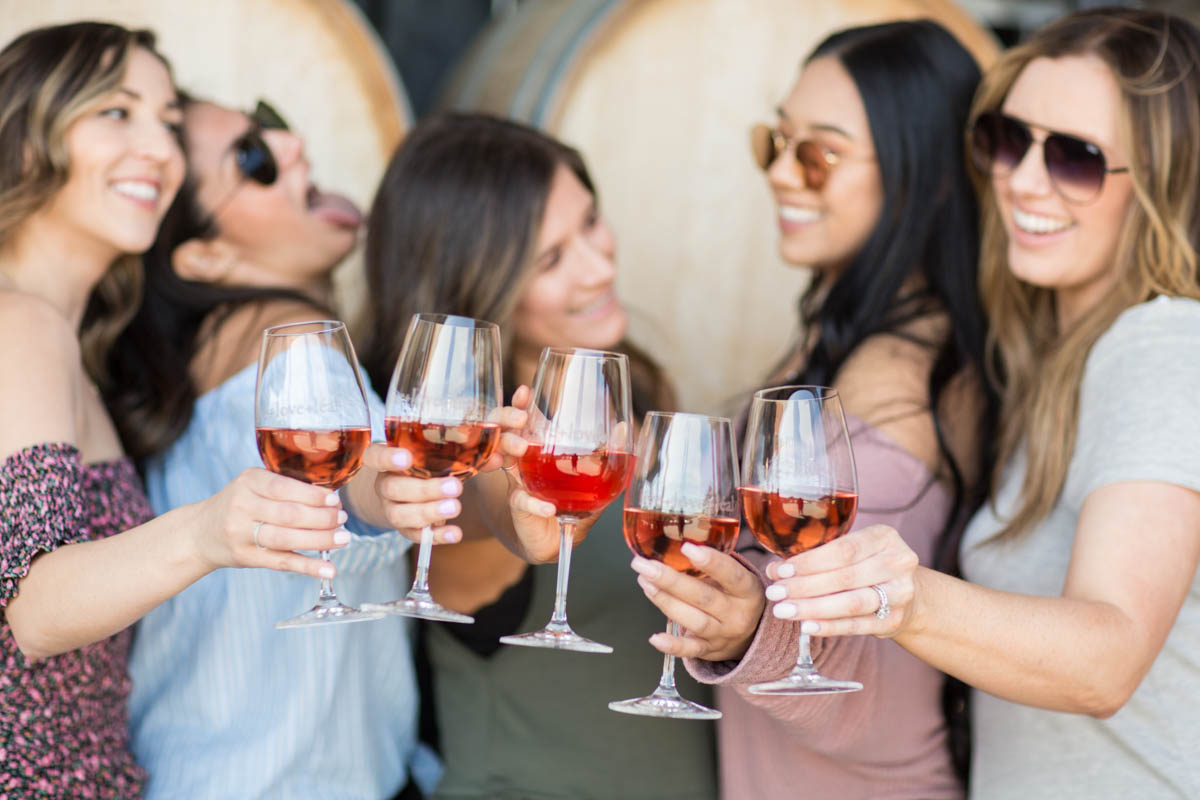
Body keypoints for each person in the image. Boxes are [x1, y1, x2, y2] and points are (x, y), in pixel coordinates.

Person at [763, 8, 1200, 799]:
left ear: (1163, 182)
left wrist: (905, 594)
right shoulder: (1052, 362)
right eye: (1008, 138)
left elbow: (1107, 663)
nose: (1022, 179)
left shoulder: (1164, 345)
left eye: (1076, 158)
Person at [99, 93, 522, 798]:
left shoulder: (190, 368)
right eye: (254, 159)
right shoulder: (298, 348)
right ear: (205, 255)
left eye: (270, 122)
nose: (290, 143)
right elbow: (359, 489)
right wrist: (494, 502)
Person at [628, 19, 994, 799]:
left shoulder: (898, 376)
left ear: (924, 178)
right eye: (775, 142)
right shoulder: (854, 338)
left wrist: (755, 627)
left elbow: (873, 683)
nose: (782, 174)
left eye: (818, 154)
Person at [0, 22, 347, 797]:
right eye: (117, 112)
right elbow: (33, 608)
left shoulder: (66, 343)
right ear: (25, 143)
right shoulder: (19, 325)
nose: (160, 148)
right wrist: (207, 529)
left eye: (165, 121)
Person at [358, 112, 718, 800]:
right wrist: (534, 518)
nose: (599, 263)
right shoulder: (461, 459)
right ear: (475, 286)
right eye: (550, 259)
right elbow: (500, 509)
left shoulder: (628, 395)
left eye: (590, 221)